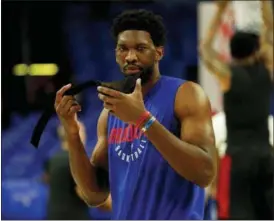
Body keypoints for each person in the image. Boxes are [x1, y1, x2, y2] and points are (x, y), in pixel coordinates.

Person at [54, 9, 217, 219]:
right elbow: (94, 194)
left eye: (140, 48)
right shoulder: (110, 112)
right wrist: (73, 132)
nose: (130, 57)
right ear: (115, 54)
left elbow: (204, 173)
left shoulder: (186, 94)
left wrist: (143, 120)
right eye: (123, 49)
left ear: (159, 52)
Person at [200, 1, 273, 219]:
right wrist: (265, 4)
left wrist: (221, 11)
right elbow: (270, 32)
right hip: (265, 157)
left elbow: (205, 50)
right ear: (255, 50)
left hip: (240, 160)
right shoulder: (266, 70)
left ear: (232, 53)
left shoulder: (228, 76)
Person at [44, 122, 91, 220]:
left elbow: (46, 180)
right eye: (83, 132)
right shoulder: (80, 160)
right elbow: (85, 193)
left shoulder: (52, 159)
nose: (85, 136)